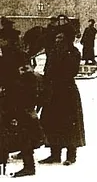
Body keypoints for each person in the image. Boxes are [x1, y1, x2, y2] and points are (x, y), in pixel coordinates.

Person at [39, 29, 86, 166]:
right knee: (52, 122)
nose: (57, 40)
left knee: (69, 123)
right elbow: (47, 69)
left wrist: (56, 76)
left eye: (61, 37)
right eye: (57, 38)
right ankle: (54, 154)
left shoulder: (73, 52)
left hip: (67, 92)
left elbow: (71, 70)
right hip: (53, 91)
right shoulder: (53, 51)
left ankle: (71, 155)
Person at [0, 61, 45, 178]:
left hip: (19, 100)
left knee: (23, 131)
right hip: (20, 99)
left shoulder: (15, 58)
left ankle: (29, 166)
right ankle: (27, 165)